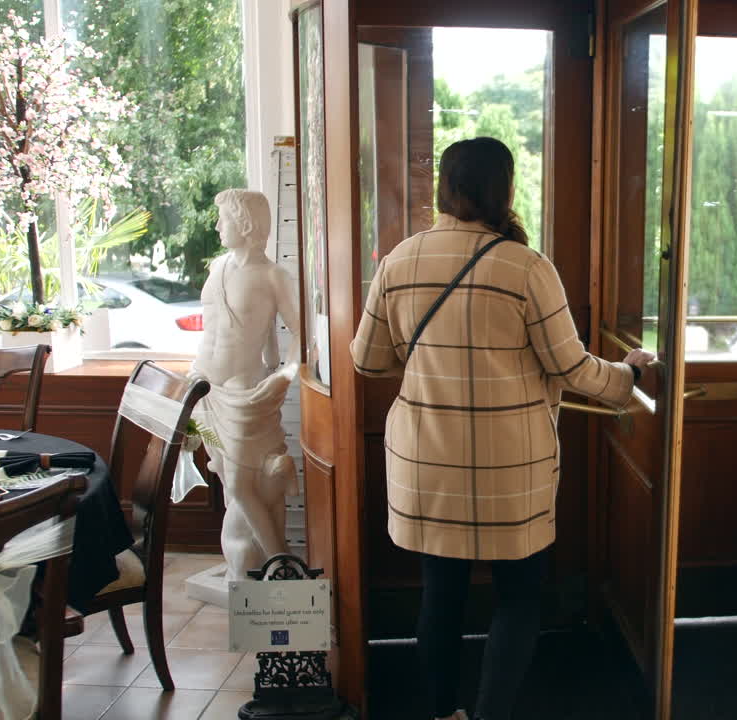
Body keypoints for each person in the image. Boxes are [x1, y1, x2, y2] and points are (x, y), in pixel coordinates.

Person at [351, 137, 655, 720]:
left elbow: (367, 361)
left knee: (439, 597)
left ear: (444, 187)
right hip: (509, 470)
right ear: (505, 190)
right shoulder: (527, 267)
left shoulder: (400, 260)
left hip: (427, 463)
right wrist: (627, 377)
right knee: (518, 599)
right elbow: (570, 367)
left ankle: (443, 713)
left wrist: (427, 365)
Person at [189, 188, 301, 582]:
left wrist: (285, 375)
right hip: (204, 388)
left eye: (225, 219)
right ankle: (247, 560)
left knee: (240, 482)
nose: (218, 226)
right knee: (224, 475)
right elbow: (210, 332)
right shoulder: (217, 267)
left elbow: (306, 338)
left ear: (247, 223)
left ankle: (281, 563)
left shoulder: (273, 275)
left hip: (244, 394)